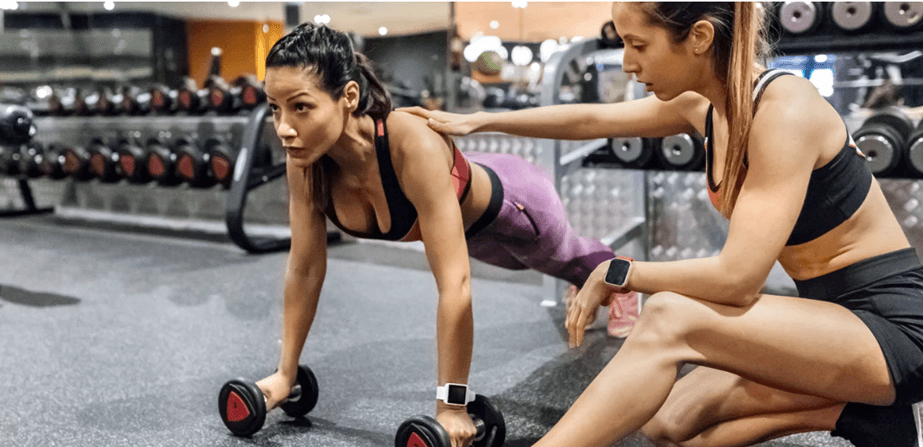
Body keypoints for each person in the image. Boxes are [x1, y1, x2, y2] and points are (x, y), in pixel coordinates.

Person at [401, 3, 923, 446]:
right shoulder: (707, 108)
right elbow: (590, 120)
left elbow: (737, 281)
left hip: (890, 329)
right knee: (664, 421)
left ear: (698, 38)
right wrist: (477, 121)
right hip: (824, 317)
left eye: (639, 45)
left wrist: (616, 270)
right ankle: (859, 415)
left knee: (670, 317)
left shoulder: (781, 111)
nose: (628, 62)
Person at [252, 23, 636, 447]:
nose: (284, 127)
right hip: (469, 232)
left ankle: (620, 277)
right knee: (541, 265)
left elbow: (454, 283)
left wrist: (451, 405)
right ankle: (586, 277)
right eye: (274, 108)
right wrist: (285, 373)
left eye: (300, 107)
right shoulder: (305, 163)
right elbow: (304, 270)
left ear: (348, 97)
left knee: (564, 258)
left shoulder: (407, 141)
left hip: (517, 206)